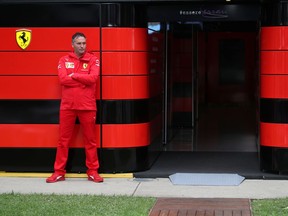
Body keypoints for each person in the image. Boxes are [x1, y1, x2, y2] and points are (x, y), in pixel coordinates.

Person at [46, 32, 103, 183]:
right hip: (67, 107)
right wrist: (80, 79)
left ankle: (92, 171)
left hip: (87, 106)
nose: (82, 46)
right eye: (79, 43)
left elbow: (93, 79)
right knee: (63, 141)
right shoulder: (64, 60)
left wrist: (74, 75)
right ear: (72, 44)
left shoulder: (93, 59)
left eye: (84, 43)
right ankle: (59, 172)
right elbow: (63, 80)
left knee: (90, 140)